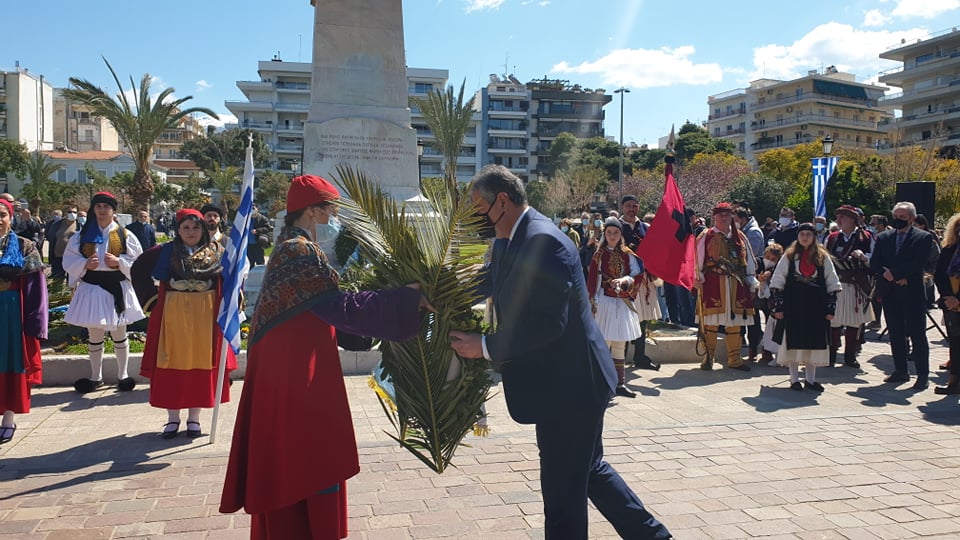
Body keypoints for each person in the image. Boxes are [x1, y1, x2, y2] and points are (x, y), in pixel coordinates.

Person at [449, 165, 671, 540]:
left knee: (563, 490)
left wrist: (484, 346)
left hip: (572, 386)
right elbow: (490, 279)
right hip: (563, 381)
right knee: (588, 470)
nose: (475, 218)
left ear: (502, 201)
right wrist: (435, 293)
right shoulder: (509, 238)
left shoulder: (543, 241)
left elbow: (548, 323)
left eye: (478, 208)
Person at [220, 175, 433, 539]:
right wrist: (406, 299)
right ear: (313, 212)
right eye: (331, 209)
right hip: (294, 375)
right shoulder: (299, 251)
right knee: (305, 454)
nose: (335, 216)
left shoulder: (292, 247)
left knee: (294, 455)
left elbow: (329, 308)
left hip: (292, 367)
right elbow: (339, 308)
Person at [139, 209, 234, 439]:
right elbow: (138, 268)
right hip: (173, 315)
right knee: (172, 360)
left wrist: (232, 303)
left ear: (203, 229)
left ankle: (194, 419)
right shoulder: (166, 251)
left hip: (205, 315)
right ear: (178, 229)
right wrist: (151, 301)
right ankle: (172, 419)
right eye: (186, 228)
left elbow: (232, 278)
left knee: (201, 363)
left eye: (196, 227)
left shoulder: (218, 251)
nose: (191, 232)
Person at [63, 192, 146, 393]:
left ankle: (123, 375)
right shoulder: (82, 236)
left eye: (106, 207)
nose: (102, 210)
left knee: (119, 331)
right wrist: (85, 264)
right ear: (94, 209)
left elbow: (140, 263)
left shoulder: (125, 235)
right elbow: (68, 260)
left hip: (117, 287)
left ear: (113, 210)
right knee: (95, 333)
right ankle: (95, 377)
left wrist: (119, 263)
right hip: (92, 288)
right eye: (98, 206)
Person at [870, 202, 936, 390]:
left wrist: (898, 274)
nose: (898, 220)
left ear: (912, 219)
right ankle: (900, 370)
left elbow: (920, 262)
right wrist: (888, 275)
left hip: (913, 291)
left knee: (917, 334)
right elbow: (875, 262)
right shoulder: (884, 237)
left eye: (903, 217)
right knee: (896, 333)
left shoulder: (923, 237)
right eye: (896, 216)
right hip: (890, 292)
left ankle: (922, 375)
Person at [770, 223, 842, 391]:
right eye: (802, 234)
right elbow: (777, 281)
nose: (805, 237)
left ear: (814, 237)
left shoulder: (823, 257)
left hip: (816, 307)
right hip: (793, 306)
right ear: (798, 236)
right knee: (793, 342)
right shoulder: (789, 256)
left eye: (808, 234)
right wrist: (779, 307)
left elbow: (832, 282)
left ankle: (810, 379)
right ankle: (794, 379)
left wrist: (831, 308)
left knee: (813, 343)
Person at [0, 198, 47, 444]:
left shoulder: (24, 245)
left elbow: (36, 287)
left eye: (2, 215)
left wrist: (37, 321)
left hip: (11, 314)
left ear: (11, 217)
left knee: (11, 361)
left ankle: (8, 418)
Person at [694, 202, 757, 372]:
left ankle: (734, 359)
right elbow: (696, 260)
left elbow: (749, 262)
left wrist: (752, 282)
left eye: (727, 214)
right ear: (714, 216)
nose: (724, 217)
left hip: (737, 284)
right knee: (710, 323)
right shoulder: (706, 236)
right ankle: (708, 358)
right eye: (720, 214)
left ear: (732, 217)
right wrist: (697, 278)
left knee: (735, 323)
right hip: (713, 283)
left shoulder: (740, 237)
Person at [587, 217, 645, 398]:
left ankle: (620, 383)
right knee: (605, 343)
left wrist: (624, 280)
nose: (612, 236)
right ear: (605, 234)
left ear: (621, 235)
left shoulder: (628, 253)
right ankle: (601, 383)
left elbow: (637, 273)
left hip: (623, 302)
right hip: (605, 301)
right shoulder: (599, 254)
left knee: (620, 343)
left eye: (616, 233)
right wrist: (593, 302)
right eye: (609, 233)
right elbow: (593, 280)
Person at [825, 205, 874, 368]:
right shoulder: (831, 237)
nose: (838, 221)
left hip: (856, 286)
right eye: (837, 217)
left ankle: (850, 356)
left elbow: (875, 258)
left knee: (854, 322)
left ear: (853, 220)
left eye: (843, 218)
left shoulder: (866, 237)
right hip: (836, 285)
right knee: (834, 321)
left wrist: (864, 257)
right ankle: (831, 355)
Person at [733, 205, 765, 362]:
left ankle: (755, 343)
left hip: (752, 278)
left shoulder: (753, 233)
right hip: (741, 278)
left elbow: (750, 256)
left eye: (736, 219)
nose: (733, 222)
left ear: (743, 219)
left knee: (753, 314)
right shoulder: (742, 232)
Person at [933, 213, 960, 395]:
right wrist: (949, 297)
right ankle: (955, 382)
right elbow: (939, 275)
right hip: (950, 304)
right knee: (956, 343)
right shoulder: (949, 249)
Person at [758, 243, 785, 366]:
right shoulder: (764, 268)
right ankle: (773, 354)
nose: (769, 261)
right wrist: (763, 282)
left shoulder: (781, 269)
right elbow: (764, 293)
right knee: (772, 330)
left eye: (773, 259)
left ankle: (781, 357)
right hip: (772, 304)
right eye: (768, 257)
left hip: (782, 304)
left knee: (781, 331)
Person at [48, 206, 79, 280]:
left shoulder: (80, 225)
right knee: (57, 280)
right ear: (65, 213)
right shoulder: (57, 224)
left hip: (73, 258)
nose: (72, 214)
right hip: (58, 257)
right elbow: (51, 237)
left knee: (72, 282)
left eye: (74, 212)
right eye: (69, 212)